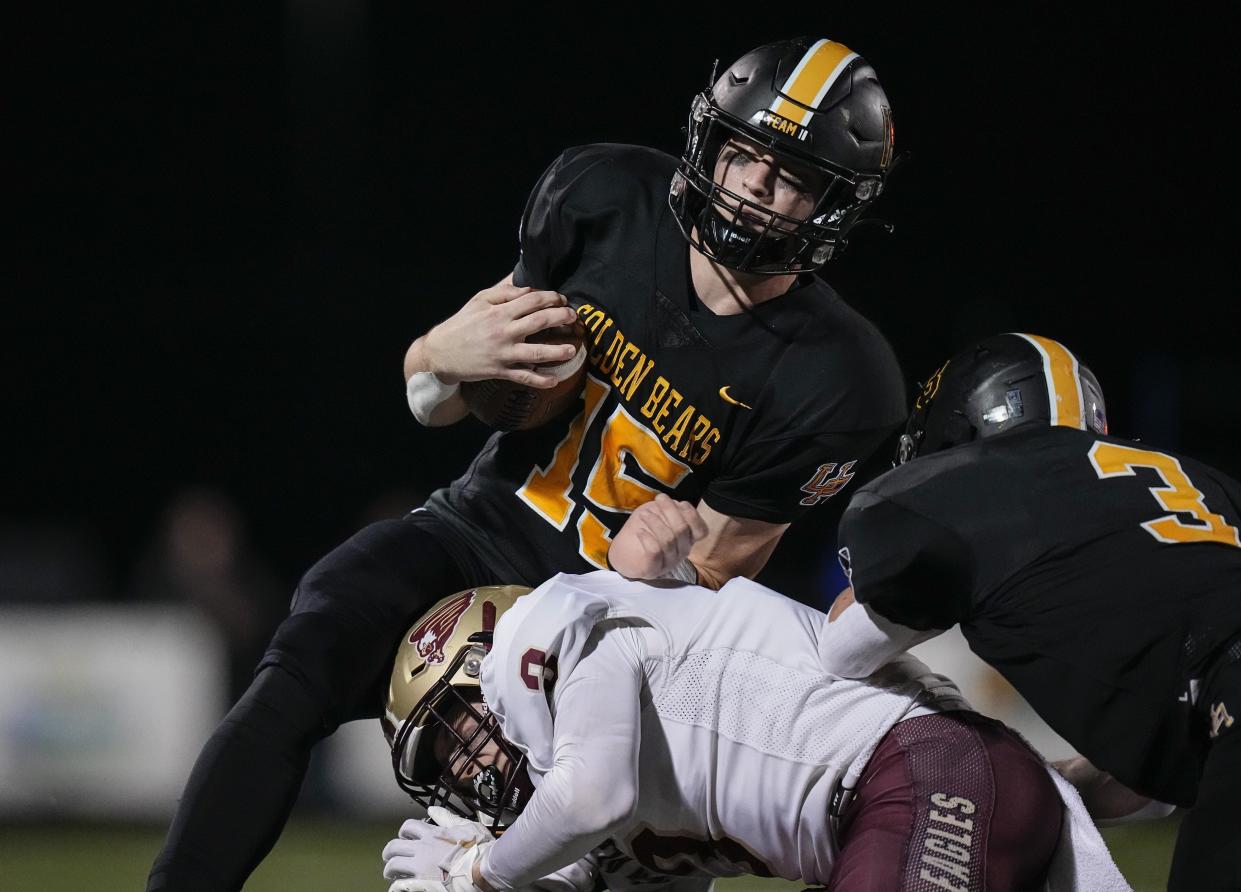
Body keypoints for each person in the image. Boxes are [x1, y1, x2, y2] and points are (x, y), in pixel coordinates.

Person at [148, 37, 907, 891]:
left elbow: (715, 582)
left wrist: (655, 572)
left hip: (622, 622)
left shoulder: (842, 379)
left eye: (794, 180)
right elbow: (438, 397)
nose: (758, 193)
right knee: (311, 643)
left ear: (833, 208)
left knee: (595, 847)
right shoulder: (604, 197)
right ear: (709, 147)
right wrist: (436, 352)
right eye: (745, 160)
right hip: (479, 532)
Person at [377, 575, 1130, 892]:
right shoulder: (599, 792)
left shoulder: (558, 634)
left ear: (497, 668)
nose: (470, 767)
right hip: (922, 800)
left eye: (463, 730)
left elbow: (590, 800)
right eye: (445, 763)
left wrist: (478, 874)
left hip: (926, 777)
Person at [819, 333, 1241, 891]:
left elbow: (844, 650)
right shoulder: (1198, 482)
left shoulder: (973, 485)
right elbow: (1154, 776)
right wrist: (1046, 783)